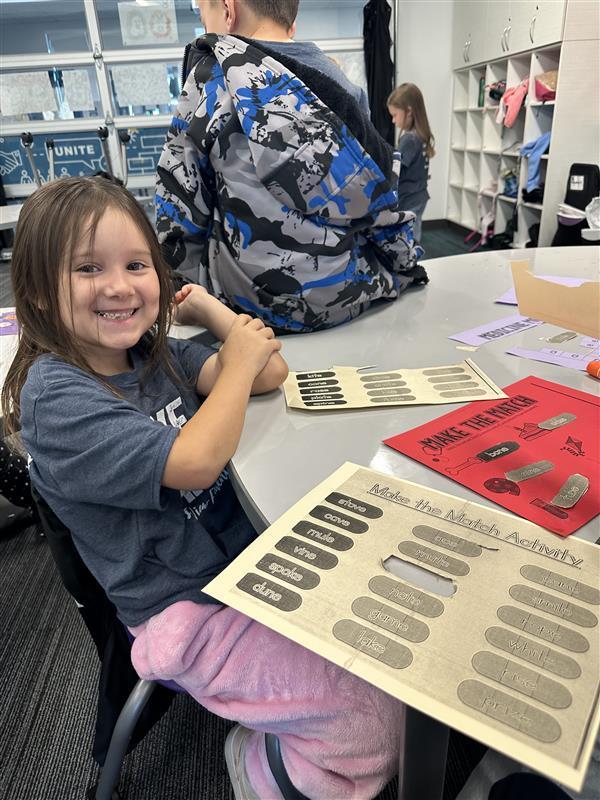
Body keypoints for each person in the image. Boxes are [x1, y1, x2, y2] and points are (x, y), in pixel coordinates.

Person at [3, 176, 405, 800]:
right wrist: (238, 359)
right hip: (186, 613)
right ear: (36, 293)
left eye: (137, 264)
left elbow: (266, 372)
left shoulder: (151, 354)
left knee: (394, 635)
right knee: (372, 732)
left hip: (244, 567)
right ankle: (255, 766)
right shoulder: (56, 398)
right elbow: (193, 460)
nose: (118, 285)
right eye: (88, 268)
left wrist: (209, 312)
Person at [155, 0, 427, 334]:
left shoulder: (212, 82)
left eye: (203, 16)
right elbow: (375, 194)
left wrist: (175, 285)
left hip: (245, 312)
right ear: (291, 21)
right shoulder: (340, 83)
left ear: (228, 10)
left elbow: (181, 198)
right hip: (342, 300)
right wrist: (405, 265)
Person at [387, 83, 436, 242]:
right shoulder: (422, 135)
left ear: (409, 111)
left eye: (395, 115)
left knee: (406, 240)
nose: (393, 120)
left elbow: (395, 169)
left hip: (409, 199)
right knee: (414, 236)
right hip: (419, 195)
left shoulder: (409, 139)